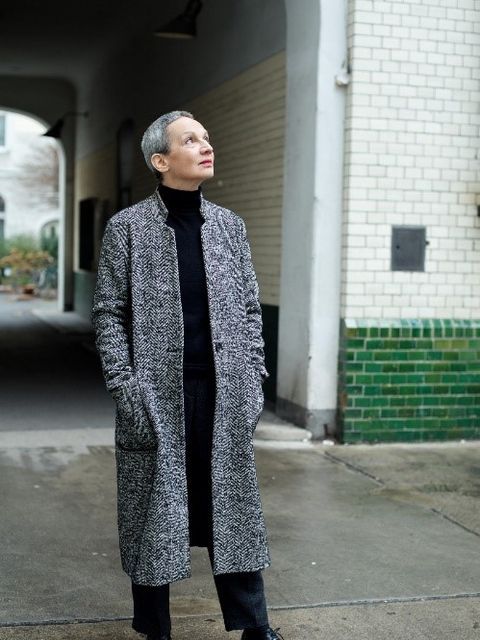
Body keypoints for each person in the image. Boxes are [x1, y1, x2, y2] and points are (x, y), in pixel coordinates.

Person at [91, 111, 284, 640]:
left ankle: (255, 626)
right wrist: (125, 388)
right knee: (154, 514)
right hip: (154, 397)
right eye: (190, 139)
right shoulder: (127, 228)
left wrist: (253, 379)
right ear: (160, 160)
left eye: (206, 136)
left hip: (225, 394)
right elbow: (109, 312)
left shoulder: (230, 226)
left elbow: (248, 309)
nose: (206, 145)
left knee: (234, 509)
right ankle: (154, 628)